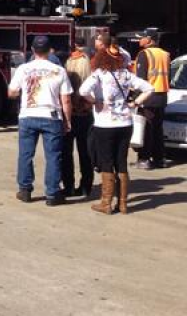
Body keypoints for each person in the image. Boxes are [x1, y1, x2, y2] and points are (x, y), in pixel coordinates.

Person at [79, 47, 153, 215]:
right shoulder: (126, 75)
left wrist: (95, 100)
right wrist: (135, 103)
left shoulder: (98, 74)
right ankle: (123, 204)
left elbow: (83, 91)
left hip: (105, 124)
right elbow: (149, 88)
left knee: (106, 161)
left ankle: (106, 203)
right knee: (121, 161)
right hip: (125, 123)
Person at [8, 35, 73, 206]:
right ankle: (52, 194)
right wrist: (67, 121)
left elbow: (11, 92)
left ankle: (25, 190)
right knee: (53, 156)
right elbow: (66, 100)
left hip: (28, 115)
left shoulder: (23, 69)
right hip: (51, 116)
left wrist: (23, 93)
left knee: (26, 154)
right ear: (50, 50)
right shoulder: (59, 70)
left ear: (32, 50)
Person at [133, 29, 170, 170]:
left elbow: (140, 80)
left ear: (149, 39)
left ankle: (144, 159)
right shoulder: (165, 54)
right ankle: (160, 159)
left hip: (148, 96)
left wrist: (135, 98)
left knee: (146, 128)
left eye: (141, 37)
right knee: (158, 129)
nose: (139, 40)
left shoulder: (144, 54)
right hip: (162, 95)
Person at [63, 39, 94, 197]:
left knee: (66, 153)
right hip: (85, 114)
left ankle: (68, 186)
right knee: (85, 153)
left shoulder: (69, 63)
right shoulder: (87, 62)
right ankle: (86, 186)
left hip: (70, 113)